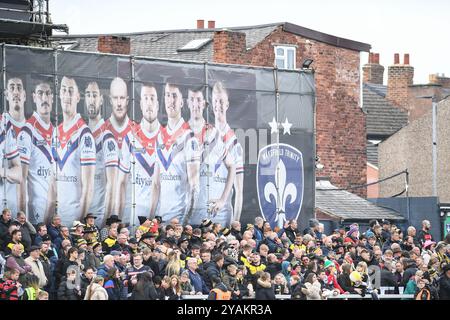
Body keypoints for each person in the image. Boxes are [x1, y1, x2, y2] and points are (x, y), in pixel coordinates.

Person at [45, 76, 96, 225]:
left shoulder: (84, 134)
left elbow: (88, 188)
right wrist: (45, 222)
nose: (67, 96)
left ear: (78, 97)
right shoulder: (56, 132)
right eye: (64, 90)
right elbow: (52, 185)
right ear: (59, 94)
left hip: (73, 220)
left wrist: (77, 224)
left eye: (71, 91)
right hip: (57, 220)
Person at [150, 82, 200, 225]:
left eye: (174, 96)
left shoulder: (189, 138)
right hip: (160, 220)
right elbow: (155, 184)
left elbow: (194, 187)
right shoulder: (159, 137)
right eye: (167, 95)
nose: (170, 101)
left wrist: (184, 222)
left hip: (178, 220)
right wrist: (150, 219)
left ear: (182, 102)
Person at [187, 87, 236, 227]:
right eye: (192, 100)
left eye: (199, 100)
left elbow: (232, 165)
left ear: (204, 104)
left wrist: (223, 199)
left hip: (209, 211)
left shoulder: (213, 133)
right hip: (186, 212)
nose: (196, 104)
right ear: (187, 103)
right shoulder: (182, 133)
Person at [116, 83, 160, 227]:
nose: (149, 103)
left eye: (152, 98)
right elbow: (121, 182)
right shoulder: (131, 137)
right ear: (140, 104)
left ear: (158, 104)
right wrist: (119, 219)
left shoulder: (168, 138)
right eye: (145, 99)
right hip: (137, 210)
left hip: (162, 211)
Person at [17, 80, 54, 224]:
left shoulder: (56, 131)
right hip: (39, 210)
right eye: (40, 93)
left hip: (58, 208)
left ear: (52, 98)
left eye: (47, 94)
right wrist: (22, 219)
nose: (44, 98)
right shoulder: (27, 131)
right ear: (33, 97)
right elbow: (21, 179)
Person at [85, 81, 118, 227]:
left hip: (98, 214)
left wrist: (106, 220)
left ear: (101, 100)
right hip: (82, 211)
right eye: (88, 95)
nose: (91, 100)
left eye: (94, 95)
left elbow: (112, 183)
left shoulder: (107, 136)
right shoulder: (82, 132)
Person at [211, 82, 243, 221]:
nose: (218, 105)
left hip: (223, 216)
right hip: (201, 213)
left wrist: (235, 224)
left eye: (221, 101)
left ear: (227, 105)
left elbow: (239, 191)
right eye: (215, 101)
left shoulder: (234, 144)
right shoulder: (206, 135)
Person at [3, 76, 26, 214]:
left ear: (24, 95)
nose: (16, 92)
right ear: (6, 94)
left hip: (30, 204)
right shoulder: (3, 126)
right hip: (8, 200)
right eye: (12, 88)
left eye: (19, 87)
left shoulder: (33, 129)